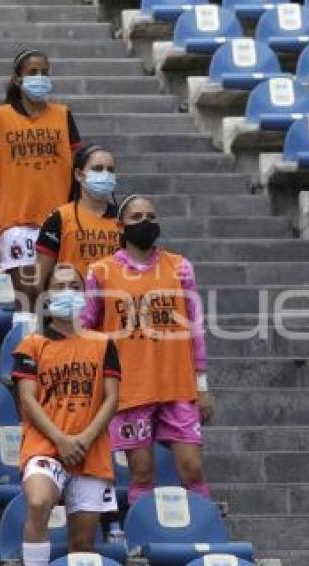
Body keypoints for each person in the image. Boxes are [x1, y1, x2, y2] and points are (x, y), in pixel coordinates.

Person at [82, 195, 214, 508]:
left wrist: (202, 386)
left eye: (151, 216)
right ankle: (140, 537)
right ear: (120, 225)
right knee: (141, 473)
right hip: (130, 389)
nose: (145, 222)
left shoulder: (180, 268)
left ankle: (206, 530)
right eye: (137, 216)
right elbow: (86, 330)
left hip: (177, 386)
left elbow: (196, 329)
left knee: (192, 468)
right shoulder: (100, 272)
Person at [12, 263, 120, 566]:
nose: (68, 292)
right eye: (59, 287)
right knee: (38, 502)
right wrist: (61, 440)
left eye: (75, 286)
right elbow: (27, 400)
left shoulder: (104, 343)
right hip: (45, 445)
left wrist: (83, 439)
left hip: (91, 449)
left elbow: (112, 398)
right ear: (46, 295)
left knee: (83, 542)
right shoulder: (32, 344)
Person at [0, 48, 81, 308]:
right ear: (17, 79)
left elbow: (77, 165)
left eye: (45, 72)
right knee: (29, 304)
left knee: (62, 300)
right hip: (17, 219)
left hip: (60, 218)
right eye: (33, 72)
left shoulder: (63, 114)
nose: (40, 77)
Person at [35, 144, 121, 295]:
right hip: (72, 309)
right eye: (98, 169)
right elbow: (41, 279)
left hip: (114, 308)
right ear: (79, 175)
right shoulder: (59, 218)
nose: (105, 174)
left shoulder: (123, 219)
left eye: (110, 170)